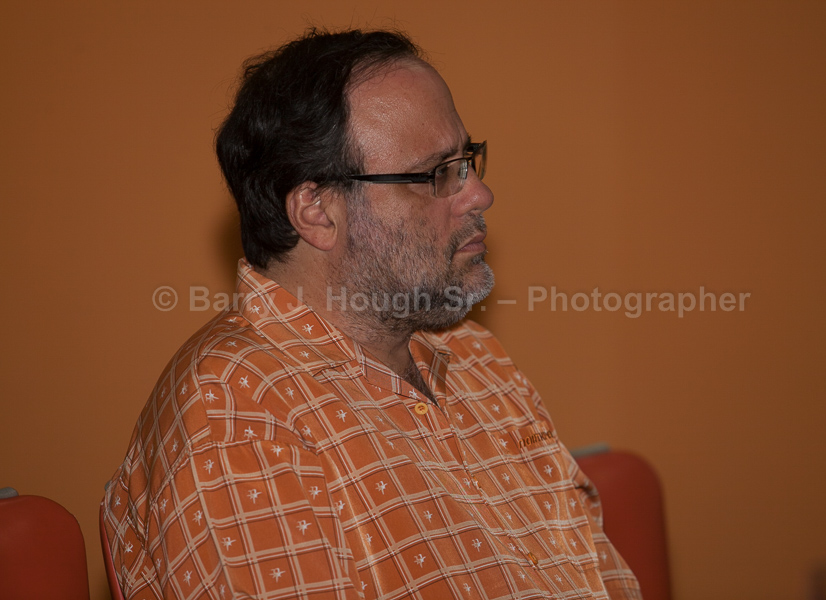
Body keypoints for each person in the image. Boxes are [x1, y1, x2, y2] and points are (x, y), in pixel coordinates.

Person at [102, 28, 642, 599]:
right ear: (317, 211)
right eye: (436, 174)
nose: (479, 194)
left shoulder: (476, 357)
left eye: (466, 160)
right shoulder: (237, 412)